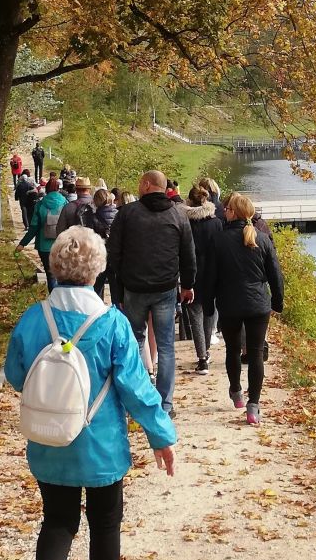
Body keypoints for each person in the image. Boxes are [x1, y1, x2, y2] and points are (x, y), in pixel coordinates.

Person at [5, 228, 177, 560]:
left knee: (58, 521)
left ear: (55, 266)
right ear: (98, 269)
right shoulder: (112, 323)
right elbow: (135, 387)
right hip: (100, 447)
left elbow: (15, 375)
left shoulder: (34, 318)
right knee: (104, 524)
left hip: (50, 441)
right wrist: (160, 435)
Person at [106, 169, 196, 417]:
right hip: (165, 288)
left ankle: (135, 400)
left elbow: (113, 254)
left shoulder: (127, 214)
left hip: (134, 289)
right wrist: (187, 285)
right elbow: (188, 255)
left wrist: (119, 291)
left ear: (146, 185)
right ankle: (165, 404)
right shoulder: (178, 215)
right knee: (166, 346)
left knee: (134, 343)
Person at [203, 193, 284, 426]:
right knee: (256, 353)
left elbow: (210, 277)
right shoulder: (262, 238)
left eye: (227, 208)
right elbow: (275, 275)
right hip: (258, 304)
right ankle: (253, 406)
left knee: (232, 350)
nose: (224, 211)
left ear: (233, 212)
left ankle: (236, 392)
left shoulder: (218, 240)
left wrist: (209, 305)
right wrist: (277, 302)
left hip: (229, 304)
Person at [183, 184, 221, 375]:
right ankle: (206, 350)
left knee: (195, 317)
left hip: (192, 273)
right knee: (209, 312)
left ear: (189, 201)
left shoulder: (186, 223)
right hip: (212, 274)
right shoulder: (216, 223)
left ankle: (202, 357)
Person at [19, 176, 68, 290]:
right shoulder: (65, 203)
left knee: (50, 275)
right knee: (63, 275)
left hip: (44, 246)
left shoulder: (40, 205)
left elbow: (34, 227)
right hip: (61, 245)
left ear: (46, 190)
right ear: (58, 189)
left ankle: (53, 300)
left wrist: (23, 244)